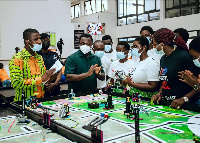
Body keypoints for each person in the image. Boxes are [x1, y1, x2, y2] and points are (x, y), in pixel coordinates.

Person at [151, 28, 199, 109]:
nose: (153, 47)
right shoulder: (163, 58)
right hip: (169, 104)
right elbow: (165, 81)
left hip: (187, 106)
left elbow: (196, 83)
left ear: (162, 44)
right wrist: (160, 94)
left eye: (155, 44)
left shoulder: (183, 56)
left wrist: (183, 99)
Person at [9, 28, 55, 102]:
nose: (40, 42)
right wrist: (41, 79)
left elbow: (42, 79)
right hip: (24, 103)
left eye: (40, 38)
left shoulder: (39, 58)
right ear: (27, 41)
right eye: (36, 39)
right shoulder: (17, 58)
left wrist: (48, 80)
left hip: (40, 101)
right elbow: (16, 83)